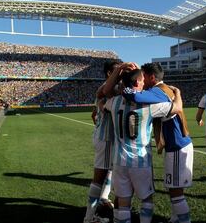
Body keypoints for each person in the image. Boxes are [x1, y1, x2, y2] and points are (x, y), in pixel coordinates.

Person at [104, 68, 183, 223]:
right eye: (142, 80)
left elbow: (103, 102)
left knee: (124, 204)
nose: (145, 83)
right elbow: (177, 108)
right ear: (137, 83)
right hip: (140, 161)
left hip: (119, 162)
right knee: (146, 200)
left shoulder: (113, 102)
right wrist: (178, 94)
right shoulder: (149, 105)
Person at [122, 63, 193, 223]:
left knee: (176, 192)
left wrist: (126, 84)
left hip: (177, 145)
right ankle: (175, 219)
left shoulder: (157, 91)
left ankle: (184, 220)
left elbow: (134, 95)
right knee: (173, 188)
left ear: (152, 77)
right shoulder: (163, 90)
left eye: (144, 77)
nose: (143, 80)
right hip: (177, 144)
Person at [83, 60, 121, 223]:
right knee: (99, 176)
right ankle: (89, 217)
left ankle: (104, 198)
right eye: (117, 70)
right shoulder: (107, 87)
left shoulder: (110, 87)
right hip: (106, 138)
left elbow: (93, 114)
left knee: (110, 171)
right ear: (109, 73)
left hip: (106, 137)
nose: (121, 73)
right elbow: (103, 94)